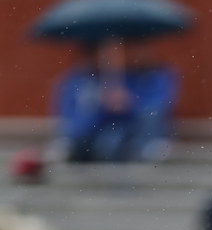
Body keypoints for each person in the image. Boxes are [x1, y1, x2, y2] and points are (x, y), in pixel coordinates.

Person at [51, 39, 179, 164]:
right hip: (87, 135)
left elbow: (158, 108)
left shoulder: (153, 76)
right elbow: (71, 118)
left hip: (128, 134)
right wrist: (100, 106)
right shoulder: (75, 81)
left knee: (113, 142)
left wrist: (128, 104)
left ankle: (148, 148)